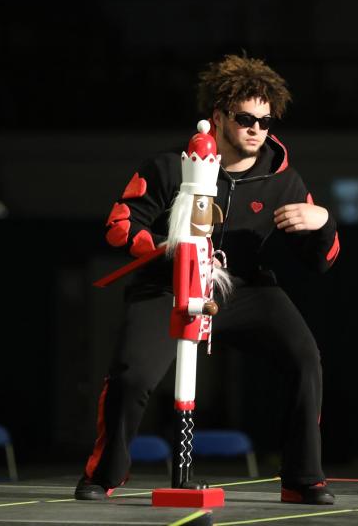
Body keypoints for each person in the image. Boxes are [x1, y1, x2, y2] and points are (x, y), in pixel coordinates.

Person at [76, 53, 341, 505]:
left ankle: (302, 479)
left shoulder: (284, 180)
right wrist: (165, 247)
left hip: (243, 287)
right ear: (217, 117)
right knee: (132, 376)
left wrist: (324, 222)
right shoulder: (169, 167)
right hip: (169, 284)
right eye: (245, 118)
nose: (257, 128)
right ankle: (104, 475)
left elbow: (322, 261)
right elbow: (120, 224)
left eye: (265, 120)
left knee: (304, 358)